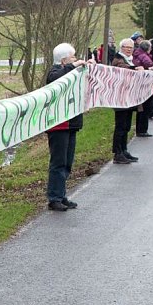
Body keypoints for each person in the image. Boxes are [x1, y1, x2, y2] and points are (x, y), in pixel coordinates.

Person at [44, 43, 91, 211]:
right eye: (73, 57)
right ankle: (54, 197)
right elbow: (56, 79)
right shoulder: (55, 72)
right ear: (64, 60)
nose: (76, 59)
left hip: (71, 124)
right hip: (58, 125)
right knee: (58, 162)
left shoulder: (71, 72)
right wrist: (74, 66)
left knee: (67, 162)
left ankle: (61, 194)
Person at [110, 39, 141, 164]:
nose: (129, 49)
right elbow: (122, 69)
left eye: (131, 48)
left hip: (129, 97)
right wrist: (135, 68)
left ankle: (124, 149)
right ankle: (118, 153)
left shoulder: (130, 59)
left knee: (127, 126)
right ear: (121, 48)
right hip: (120, 98)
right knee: (120, 126)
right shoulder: (118, 59)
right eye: (126, 47)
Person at [132, 39, 153, 138]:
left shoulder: (136, 54)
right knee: (145, 108)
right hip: (145, 85)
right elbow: (151, 66)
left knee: (141, 109)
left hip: (139, 85)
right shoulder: (144, 56)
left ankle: (140, 129)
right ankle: (142, 130)